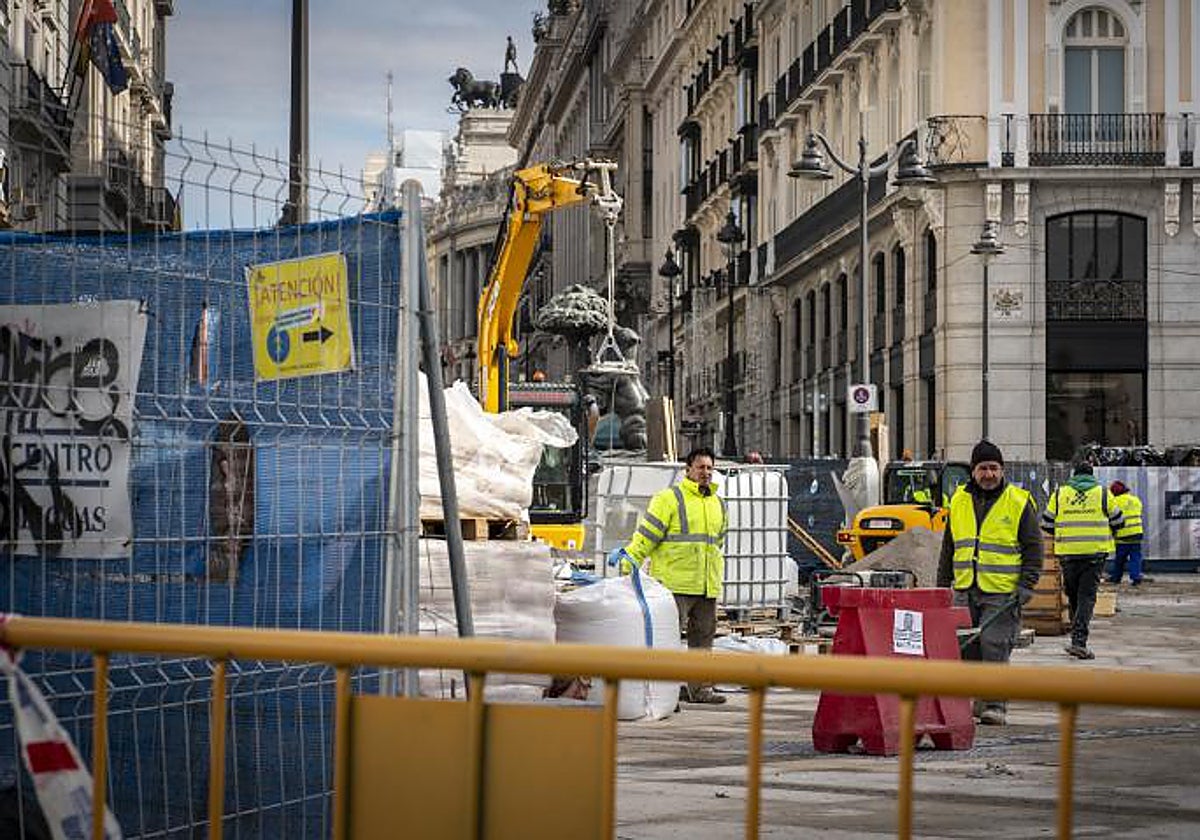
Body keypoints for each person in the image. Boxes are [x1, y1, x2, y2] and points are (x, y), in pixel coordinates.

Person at [936, 440, 1042, 726]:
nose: (989, 474)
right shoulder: (958, 500)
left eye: (994, 468)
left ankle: (996, 705)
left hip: (1002, 591)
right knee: (967, 648)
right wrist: (941, 586)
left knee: (995, 647)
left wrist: (1026, 586)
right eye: (983, 468)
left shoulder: (1019, 502)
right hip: (965, 588)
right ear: (973, 471)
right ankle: (979, 699)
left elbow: (1034, 549)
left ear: (1002, 470)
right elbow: (950, 547)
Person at [617, 446, 728, 704]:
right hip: (675, 583)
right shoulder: (669, 499)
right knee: (668, 639)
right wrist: (630, 561)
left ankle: (699, 690)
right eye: (700, 467)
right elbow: (647, 535)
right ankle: (663, 694)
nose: (706, 473)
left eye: (710, 468)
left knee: (703, 641)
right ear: (687, 470)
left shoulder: (718, 504)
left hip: (706, 585)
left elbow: (718, 543)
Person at [1042, 461, 1124, 660]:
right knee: (1087, 597)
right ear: (1092, 474)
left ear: (1074, 474)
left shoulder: (1060, 494)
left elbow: (1046, 523)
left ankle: (1076, 637)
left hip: (1068, 553)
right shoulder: (1103, 493)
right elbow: (1119, 521)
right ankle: (1078, 641)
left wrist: (1065, 532)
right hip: (1095, 554)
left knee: (1073, 595)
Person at [1108, 480, 1146, 586]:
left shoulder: (1114, 501)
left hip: (1122, 534)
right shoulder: (1135, 499)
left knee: (1120, 558)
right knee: (1135, 557)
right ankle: (1136, 577)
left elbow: (1111, 515)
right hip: (1137, 533)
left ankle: (1116, 577)